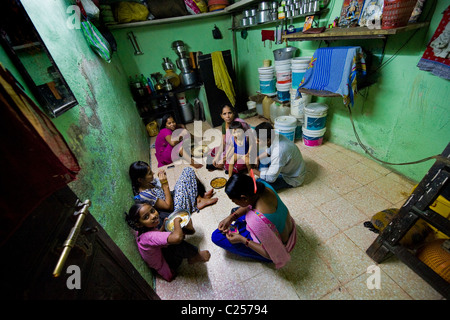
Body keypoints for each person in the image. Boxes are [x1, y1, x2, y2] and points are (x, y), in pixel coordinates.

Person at [211, 173, 297, 268]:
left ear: (244, 198)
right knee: (235, 211)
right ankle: (237, 223)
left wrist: (242, 240)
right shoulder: (262, 185)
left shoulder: (257, 221)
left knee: (216, 236)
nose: (234, 203)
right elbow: (249, 204)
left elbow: (273, 253)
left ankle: (240, 235)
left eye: (234, 200)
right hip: (287, 227)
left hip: (277, 248)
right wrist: (231, 217)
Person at [125, 201, 210, 282]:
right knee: (176, 243)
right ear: (139, 224)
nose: (153, 216)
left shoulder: (142, 231)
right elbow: (177, 238)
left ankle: (185, 231)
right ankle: (195, 256)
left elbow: (156, 236)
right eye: (146, 217)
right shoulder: (149, 237)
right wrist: (177, 221)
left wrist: (163, 227)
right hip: (167, 266)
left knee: (164, 222)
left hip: (159, 253)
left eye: (152, 211)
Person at [129, 161, 217, 215]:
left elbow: (163, 192)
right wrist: (165, 184)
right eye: (149, 173)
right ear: (140, 179)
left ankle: (198, 199)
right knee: (186, 177)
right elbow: (168, 207)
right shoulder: (145, 195)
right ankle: (197, 202)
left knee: (187, 171)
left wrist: (161, 182)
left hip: (173, 198)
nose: (153, 173)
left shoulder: (148, 182)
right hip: (175, 209)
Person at [252, 122, 306, 191]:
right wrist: (258, 158)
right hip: (285, 165)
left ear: (268, 140)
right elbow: (269, 151)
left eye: (258, 140)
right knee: (261, 156)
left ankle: (265, 173)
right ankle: (266, 171)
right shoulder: (274, 136)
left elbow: (271, 178)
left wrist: (254, 171)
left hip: (292, 178)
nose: (256, 142)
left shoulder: (279, 152)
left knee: (259, 184)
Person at [207, 104, 251, 172]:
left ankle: (225, 166)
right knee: (214, 151)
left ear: (233, 113)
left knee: (238, 165)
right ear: (221, 115)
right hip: (230, 148)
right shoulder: (224, 125)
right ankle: (222, 164)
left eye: (229, 113)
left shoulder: (240, 124)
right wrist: (217, 156)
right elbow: (224, 143)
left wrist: (224, 159)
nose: (227, 116)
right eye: (224, 114)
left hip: (242, 150)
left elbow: (238, 145)